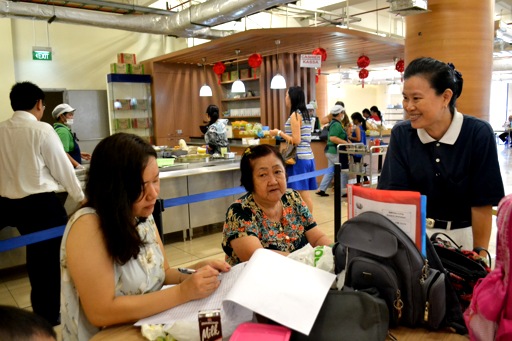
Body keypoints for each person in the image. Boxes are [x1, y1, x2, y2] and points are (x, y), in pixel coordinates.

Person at [60, 132, 231, 340]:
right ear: (114, 187)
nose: (153, 193)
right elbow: (101, 311)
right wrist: (182, 292)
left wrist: (196, 272)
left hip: (151, 324)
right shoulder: (88, 225)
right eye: (140, 186)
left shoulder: (141, 213)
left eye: (156, 180)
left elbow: (164, 273)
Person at [377, 57, 504, 250]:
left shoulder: (477, 133)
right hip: (415, 239)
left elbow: (481, 205)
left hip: (463, 239)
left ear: (445, 97)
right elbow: (395, 197)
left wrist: (479, 256)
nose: (408, 106)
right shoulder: (402, 134)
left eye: (416, 98)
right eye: (405, 97)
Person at [0, 82, 84, 326]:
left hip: (4, 203)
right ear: (39, 104)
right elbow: (63, 170)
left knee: (40, 260)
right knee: (44, 265)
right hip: (39, 206)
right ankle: (45, 316)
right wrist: (80, 197)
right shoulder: (42, 129)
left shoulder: (1, 130)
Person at [222, 144, 332, 265]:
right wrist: (307, 262)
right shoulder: (240, 212)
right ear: (250, 180)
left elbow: (317, 238)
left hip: (301, 274)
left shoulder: (293, 199)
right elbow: (257, 258)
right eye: (263, 175)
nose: (273, 181)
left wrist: (334, 252)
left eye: (277, 171)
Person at [269, 86, 316, 212]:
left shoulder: (295, 115)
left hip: (299, 158)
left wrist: (278, 133)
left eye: (286, 95)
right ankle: (306, 221)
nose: (285, 98)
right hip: (308, 156)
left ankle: (309, 223)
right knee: (303, 193)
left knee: (303, 194)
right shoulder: (305, 114)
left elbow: (296, 140)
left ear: (292, 98)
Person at [316, 105, 350, 197]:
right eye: (342, 113)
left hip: (330, 151)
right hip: (335, 151)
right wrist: (346, 143)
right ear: (339, 113)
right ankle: (343, 191)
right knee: (343, 170)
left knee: (330, 170)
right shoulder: (336, 125)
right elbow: (333, 138)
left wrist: (347, 142)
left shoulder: (333, 123)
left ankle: (322, 189)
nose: (343, 114)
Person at [52, 103, 91, 169]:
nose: (72, 117)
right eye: (70, 115)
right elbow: (63, 153)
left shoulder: (61, 129)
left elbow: (66, 149)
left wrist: (79, 154)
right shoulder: (62, 131)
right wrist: (78, 165)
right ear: (61, 116)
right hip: (70, 168)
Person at [348, 112, 369, 185]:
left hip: (357, 149)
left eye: (353, 120)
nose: (353, 121)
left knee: (357, 166)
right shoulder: (362, 127)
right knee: (359, 164)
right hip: (361, 148)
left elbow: (358, 139)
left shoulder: (357, 127)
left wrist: (350, 137)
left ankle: (358, 181)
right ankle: (365, 179)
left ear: (356, 120)